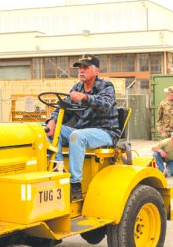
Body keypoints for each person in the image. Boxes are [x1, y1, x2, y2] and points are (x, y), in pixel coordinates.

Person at [45, 54, 120, 200]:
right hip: (82, 130)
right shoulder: (77, 87)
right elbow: (64, 108)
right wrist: (52, 121)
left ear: (96, 71)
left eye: (85, 68)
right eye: (80, 68)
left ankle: (75, 185)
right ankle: (58, 170)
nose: (81, 70)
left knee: (77, 136)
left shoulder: (106, 86)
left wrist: (85, 97)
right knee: (44, 129)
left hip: (105, 131)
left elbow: (106, 103)